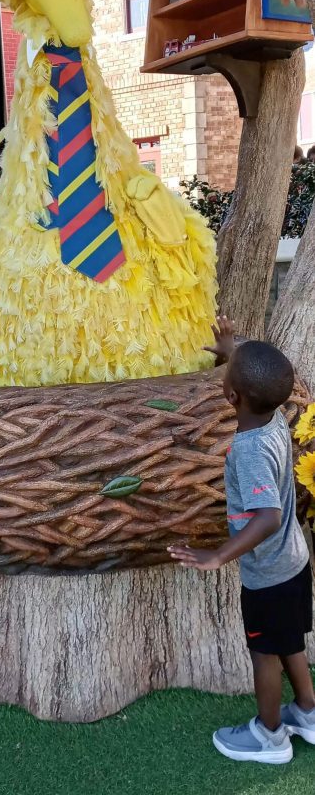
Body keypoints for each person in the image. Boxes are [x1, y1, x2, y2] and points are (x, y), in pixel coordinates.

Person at [169, 317, 314, 765]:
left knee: (264, 653)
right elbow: (257, 368)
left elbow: (267, 516)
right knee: (289, 641)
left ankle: (270, 736)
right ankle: (308, 712)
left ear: (231, 396)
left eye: (229, 372)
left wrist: (219, 555)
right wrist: (233, 348)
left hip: (267, 574)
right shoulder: (269, 418)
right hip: (295, 562)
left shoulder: (250, 448)